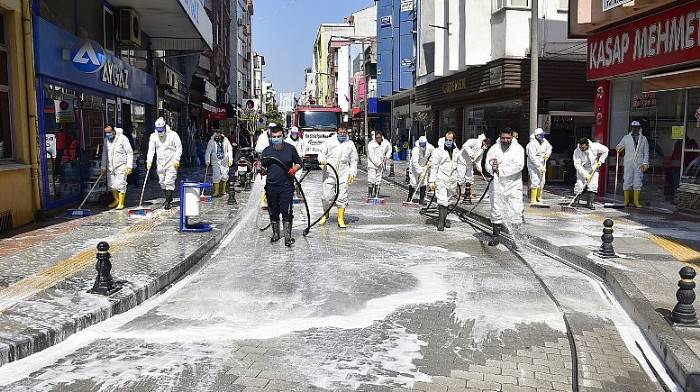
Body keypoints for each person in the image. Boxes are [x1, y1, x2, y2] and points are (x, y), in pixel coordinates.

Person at [260, 125, 302, 247]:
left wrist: (294, 169)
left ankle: (288, 237)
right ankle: (276, 234)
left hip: (286, 186)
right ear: (271, 137)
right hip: (271, 186)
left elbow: (299, 163)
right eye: (274, 137)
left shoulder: (290, 149)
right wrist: (260, 168)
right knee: (273, 211)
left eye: (279, 136)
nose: (277, 139)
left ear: (283, 135)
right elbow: (263, 167)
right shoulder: (267, 151)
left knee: (287, 211)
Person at [485, 128, 525, 246]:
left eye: (508, 138)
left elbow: (519, 166)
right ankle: (495, 236)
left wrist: (501, 170)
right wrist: (492, 169)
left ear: (512, 137)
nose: (505, 140)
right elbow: (487, 164)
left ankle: (516, 239)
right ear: (500, 136)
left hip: (513, 184)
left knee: (516, 210)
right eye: (503, 138)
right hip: (497, 184)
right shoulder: (493, 149)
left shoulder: (518, 149)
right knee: (496, 209)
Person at [318, 123, 359, 228]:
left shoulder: (350, 144)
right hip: (329, 171)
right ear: (337, 132)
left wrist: (352, 173)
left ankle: (340, 218)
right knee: (327, 196)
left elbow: (354, 160)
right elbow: (321, 153)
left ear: (347, 132)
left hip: (343, 172)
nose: (342, 134)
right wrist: (322, 161)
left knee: (342, 195)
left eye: (344, 133)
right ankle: (325, 214)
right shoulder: (329, 141)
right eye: (340, 133)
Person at [428, 131, 467, 231]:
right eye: (446, 140)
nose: (448, 142)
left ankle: (444, 220)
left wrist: (460, 180)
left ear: (454, 140)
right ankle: (440, 223)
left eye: (450, 140)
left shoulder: (457, 152)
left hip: (452, 179)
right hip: (441, 178)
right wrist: (431, 181)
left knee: (449, 200)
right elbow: (434, 166)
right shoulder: (439, 151)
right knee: (442, 200)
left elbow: (461, 165)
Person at [147, 117, 182, 210]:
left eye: (161, 129)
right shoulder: (153, 136)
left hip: (171, 162)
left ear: (164, 127)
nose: (160, 132)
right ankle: (169, 197)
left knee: (169, 181)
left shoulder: (173, 135)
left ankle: (168, 201)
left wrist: (177, 159)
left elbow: (179, 147)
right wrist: (149, 161)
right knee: (162, 181)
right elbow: (151, 150)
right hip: (160, 162)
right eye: (158, 130)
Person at [616, 120, 649, 208]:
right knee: (627, 180)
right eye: (634, 127)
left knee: (638, 181)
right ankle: (626, 201)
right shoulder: (626, 138)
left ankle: (636, 202)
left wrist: (645, 163)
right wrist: (618, 148)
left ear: (639, 128)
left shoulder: (643, 139)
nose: (635, 129)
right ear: (631, 128)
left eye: (637, 127)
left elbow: (646, 152)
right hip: (628, 163)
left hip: (639, 163)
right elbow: (620, 145)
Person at [101, 125, 133, 210]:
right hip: (110, 167)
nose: (108, 134)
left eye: (109, 132)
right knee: (112, 185)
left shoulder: (123, 139)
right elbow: (104, 154)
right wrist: (103, 167)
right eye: (106, 133)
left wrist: (129, 166)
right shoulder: (106, 141)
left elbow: (129, 153)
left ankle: (121, 203)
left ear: (114, 131)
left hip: (121, 166)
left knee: (121, 184)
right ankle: (116, 200)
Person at [573, 137, 609, 210]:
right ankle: (576, 201)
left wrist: (601, 161)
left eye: (583, 147)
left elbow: (606, 150)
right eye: (580, 147)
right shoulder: (577, 151)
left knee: (593, 185)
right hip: (582, 168)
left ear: (587, 145)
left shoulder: (595, 146)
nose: (581, 149)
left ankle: (589, 203)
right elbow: (577, 164)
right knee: (579, 184)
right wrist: (585, 174)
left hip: (593, 167)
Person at [460, 133, 491, 204]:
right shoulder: (474, 141)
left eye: (487, 146)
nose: (486, 147)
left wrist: (479, 168)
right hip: (462, 160)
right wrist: (471, 154)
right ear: (484, 142)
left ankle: (469, 192)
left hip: (470, 162)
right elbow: (465, 145)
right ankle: (460, 192)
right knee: (460, 177)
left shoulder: (482, 149)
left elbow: (479, 159)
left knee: (470, 177)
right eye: (486, 145)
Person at [526, 128, 553, 205]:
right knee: (535, 180)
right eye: (541, 135)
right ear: (537, 136)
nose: (543, 136)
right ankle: (533, 199)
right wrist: (539, 166)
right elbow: (532, 157)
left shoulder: (544, 141)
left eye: (543, 135)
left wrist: (547, 154)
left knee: (542, 181)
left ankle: (539, 197)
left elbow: (549, 148)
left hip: (542, 163)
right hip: (533, 165)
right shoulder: (531, 144)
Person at [205, 129, 234, 197]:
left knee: (225, 175)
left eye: (218, 134)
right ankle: (216, 191)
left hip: (224, 160)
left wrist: (230, 159)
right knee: (216, 175)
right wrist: (207, 160)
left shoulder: (226, 140)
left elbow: (230, 149)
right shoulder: (211, 142)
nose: (217, 136)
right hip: (215, 161)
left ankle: (223, 190)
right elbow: (208, 151)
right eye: (216, 134)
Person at [408, 136, 435, 205]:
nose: (422, 147)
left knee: (423, 183)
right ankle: (409, 198)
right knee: (413, 183)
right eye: (421, 145)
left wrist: (430, 161)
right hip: (414, 168)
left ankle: (421, 200)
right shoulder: (415, 150)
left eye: (424, 145)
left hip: (424, 166)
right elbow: (414, 163)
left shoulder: (430, 147)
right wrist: (420, 172)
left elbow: (434, 154)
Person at [366, 131, 392, 198]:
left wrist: (387, 157)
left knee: (378, 179)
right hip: (372, 164)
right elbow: (371, 156)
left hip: (381, 164)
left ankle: (376, 194)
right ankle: (370, 194)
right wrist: (378, 163)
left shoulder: (386, 143)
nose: (378, 139)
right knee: (371, 179)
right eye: (376, 138)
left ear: (381, 137)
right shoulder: (371, 144)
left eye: (379, 138)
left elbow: (389, 149)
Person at [285, 126, 307, 197]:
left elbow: (303, 151)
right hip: (289, 161)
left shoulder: (301, 141)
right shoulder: (286, 141)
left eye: (296, 133)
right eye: (293, 133)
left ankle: (297, 190)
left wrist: (302, 156)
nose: (294, 134)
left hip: (298, 161)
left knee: (297, 177)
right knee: (289, 176)